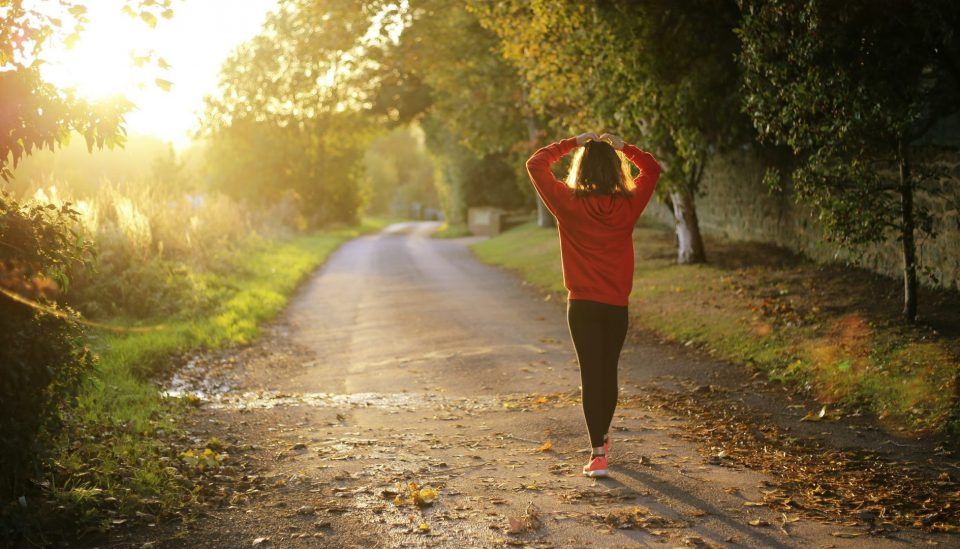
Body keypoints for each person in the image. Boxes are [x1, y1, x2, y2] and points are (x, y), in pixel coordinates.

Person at [525, 132, 662, 478]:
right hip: (616, 305)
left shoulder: (567, 203)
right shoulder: (629, 204)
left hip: (582, 305)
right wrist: (623, 147)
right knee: (608, 372)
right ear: (616, 170)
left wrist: (573, 142)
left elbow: (535, 163)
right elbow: (653, 168)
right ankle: (602, 436)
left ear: (581, 169)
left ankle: (598, 453)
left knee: (591, 374)